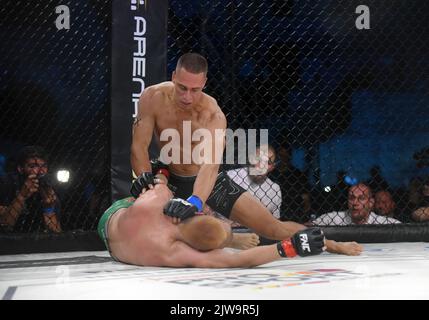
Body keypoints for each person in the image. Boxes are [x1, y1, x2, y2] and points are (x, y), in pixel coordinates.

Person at [130, 52, 362, 256]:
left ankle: (331, 244)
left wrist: (195, 201)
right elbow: (139, 147)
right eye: (182, 87)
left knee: (272, 227)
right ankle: (230, 238)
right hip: (167, 176)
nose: (187, 96)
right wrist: (146, 187)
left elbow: (211, 165)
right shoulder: (153, 97)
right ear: (173, 77)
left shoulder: (213, 115)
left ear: (205, 84)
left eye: (195, 90)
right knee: (151, 228)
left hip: (207, 181)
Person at [98, 182, 327, 268]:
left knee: (150, 185)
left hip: (115, 217)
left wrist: (157, 187)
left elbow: (157, 180)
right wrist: (291, 247)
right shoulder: (174, 253)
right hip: (116, 237)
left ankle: (228, 237)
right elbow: (238, 260)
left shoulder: (155, 200)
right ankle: (229, 238)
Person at [0, 146, 62, 233]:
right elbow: (4, 226)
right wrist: (21, 196)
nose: (41, 171)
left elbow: (57, 233)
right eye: (33, 166)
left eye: (44, 166)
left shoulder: (48, 188)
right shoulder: (5, 183)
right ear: (20, 169)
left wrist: (49, 208)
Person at [227, 144, 281, 219]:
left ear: (272, 167)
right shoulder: (231, 176)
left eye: (268, 162)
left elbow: (275, 221)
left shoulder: (275, 189)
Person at [310, 183, 401, 226]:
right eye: (352, 198)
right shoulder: (333, 218)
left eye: (361, 198)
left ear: (370, 203)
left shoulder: (384, 222)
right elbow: (306, 227)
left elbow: (402, 229)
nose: (355, 203)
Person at [271, 143, 312, 223]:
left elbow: (305, 197)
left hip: (294, 211)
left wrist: (305, 212)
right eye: (280, 155)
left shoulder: (297, 174)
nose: (282, 159)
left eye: (285, 156)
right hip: (275, 210)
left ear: (289, 157)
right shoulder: (272, 174)